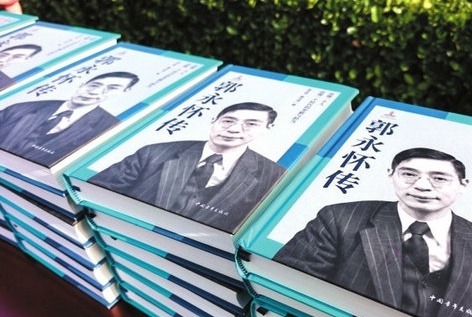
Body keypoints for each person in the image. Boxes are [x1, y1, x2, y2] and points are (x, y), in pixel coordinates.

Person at [273, 147, 472, 317]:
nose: (422, 186)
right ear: (391, 175)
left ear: (463, 184)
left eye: (439, 178)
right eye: (409, 174)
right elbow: (288, 285)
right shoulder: (340, 219)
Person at [89, 102, 286, 232]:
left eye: (251, 124)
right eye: (228, 121)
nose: (234, 129)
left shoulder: (273, 175)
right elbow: (98, 191)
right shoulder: (154, 153)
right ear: (213, 121)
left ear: (267, 129)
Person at [0, 71, 139, 167]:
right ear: (82, 85)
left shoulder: (109, 127)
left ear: (122, 93)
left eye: (112, 88)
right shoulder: (22, 107)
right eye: (94, 85)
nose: (95, 92)